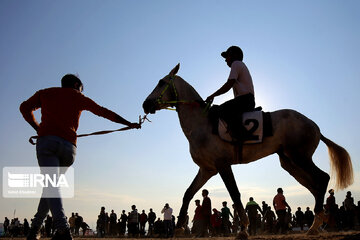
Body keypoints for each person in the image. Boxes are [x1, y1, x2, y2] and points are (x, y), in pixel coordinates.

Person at [20, 74, 140, 240]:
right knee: (50, 188)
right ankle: (34, 229)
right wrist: (129, 124)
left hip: (47, 143)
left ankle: (62, 230)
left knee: (51, 187)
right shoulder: (78, 97)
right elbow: (103, 112)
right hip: (69, 149)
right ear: (76, 85)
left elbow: (24, 107)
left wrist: (37, 127)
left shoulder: (45, 93)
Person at [206, 46, 255, 141]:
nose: (225, 60)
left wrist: (213, 95)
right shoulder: (239, 65)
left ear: (234, 55)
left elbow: (228, 84)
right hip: (246, 100)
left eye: (227, 56)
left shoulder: (236, 64)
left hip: (244, 100)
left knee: (216, 110)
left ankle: (241, 135)